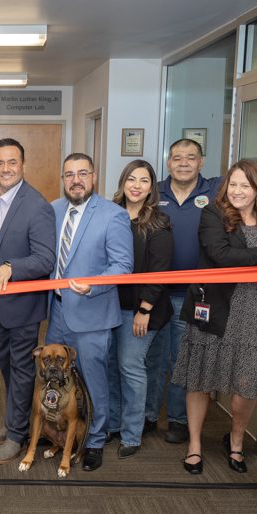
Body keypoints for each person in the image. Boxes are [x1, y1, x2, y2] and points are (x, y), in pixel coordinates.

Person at [146, 95, 257, 444]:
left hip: (199, 295)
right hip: (156, 292)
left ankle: (178, 422)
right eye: (177, 157)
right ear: (168, 161)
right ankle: (148, 418)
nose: (183, 163)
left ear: (201, 162)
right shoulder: (152, 192)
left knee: (185, 363)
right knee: (152, 359)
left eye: (190, 157)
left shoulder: (219, 192)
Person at [172, 160, 257, 475]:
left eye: (246, 185)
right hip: (216, 308)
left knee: (247, 383)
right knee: (200, 379)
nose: (238, 191)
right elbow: (223, 255)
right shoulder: (213, 215)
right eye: (234, 184)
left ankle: (237, 440)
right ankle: (195, 445)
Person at [44, 153, 133, 472]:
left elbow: (123, 267)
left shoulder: (113, 215)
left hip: (92, 314)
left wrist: (93, 285)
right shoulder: (52, 209)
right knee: (56, 380)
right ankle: (58, 431)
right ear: (63, 178)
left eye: (82, 173)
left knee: (95, 383)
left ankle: (95, 441)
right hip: (56, 313)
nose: (75, 179)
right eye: (69, 174)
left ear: (94, 177)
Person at [0, 138, 56, 465]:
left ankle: (16, 437)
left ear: (23, 165)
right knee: (7, 368)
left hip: (22, 304)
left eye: (12, 162)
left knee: (22, 370)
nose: (5, 169)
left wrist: (11, 267)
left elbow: (45, 259)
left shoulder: (37, 205)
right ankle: (14, 423)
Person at [104, 160, 174, 459]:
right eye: (131, 179)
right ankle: (116, 423)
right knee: (110, 368)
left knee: (130, 368)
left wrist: (144, 309)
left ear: (151, 187)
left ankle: (131, 434)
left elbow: (159, 272)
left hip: (142, 310)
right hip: (108, 306)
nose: (136, 185)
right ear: (122, 182)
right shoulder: (109, 215)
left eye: (144, 180)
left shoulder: (158, 223)